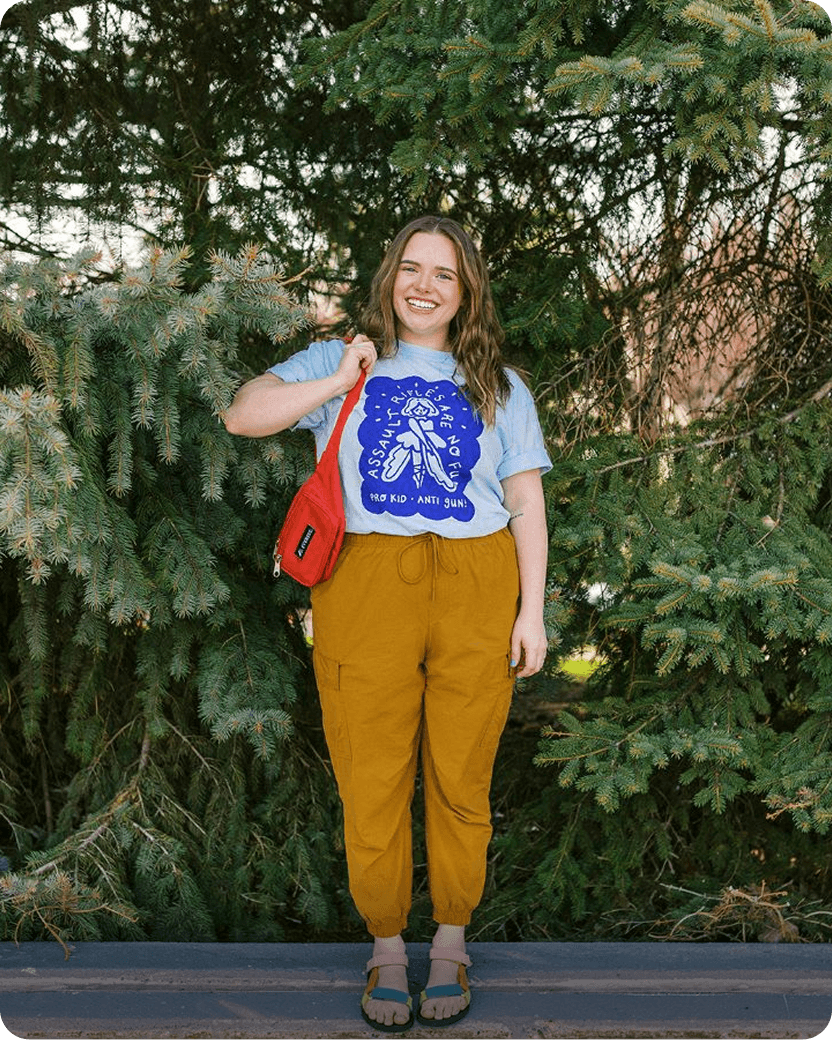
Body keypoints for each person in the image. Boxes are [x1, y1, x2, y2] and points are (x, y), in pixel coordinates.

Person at [224, 215, 551, 1032]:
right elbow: (244, 413)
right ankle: (385, 945)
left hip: (477, 583)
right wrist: (339, 384)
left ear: (467, 288)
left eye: (444, 273)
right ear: (390, 278)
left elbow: (525, 503)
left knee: (460, 772)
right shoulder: (344, 359)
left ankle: (449, 941)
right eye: (412, 268)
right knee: (370, 773)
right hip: (365, 582)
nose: (425, 285)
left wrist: (532, 612)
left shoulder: (502, 386)